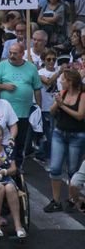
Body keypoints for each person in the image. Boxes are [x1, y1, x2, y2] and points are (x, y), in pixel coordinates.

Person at [0, 42, 42, 169]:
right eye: (10, 53)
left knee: (20, 141)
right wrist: (5, 86)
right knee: (3, 140)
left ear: (22, 54)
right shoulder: (2, 65)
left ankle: (18, 166)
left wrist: (39, 108)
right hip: (5, 112)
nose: (12, 55)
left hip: (23, 112)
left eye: (15, 53)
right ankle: (2, 164)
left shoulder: (31, 68)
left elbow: (37, 89)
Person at [44, 70, 85, 213]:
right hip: (59, 133)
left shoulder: (82, 96)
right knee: (55, 167)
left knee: (73, 169)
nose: (60, 81)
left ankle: (72, 199)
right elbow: (51, 111)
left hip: (77, 135)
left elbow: (80, 116)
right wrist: (57, 103)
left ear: (70, 82)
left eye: (63, 80)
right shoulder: (62, 93)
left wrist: (62, 106)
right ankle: (56, 200)